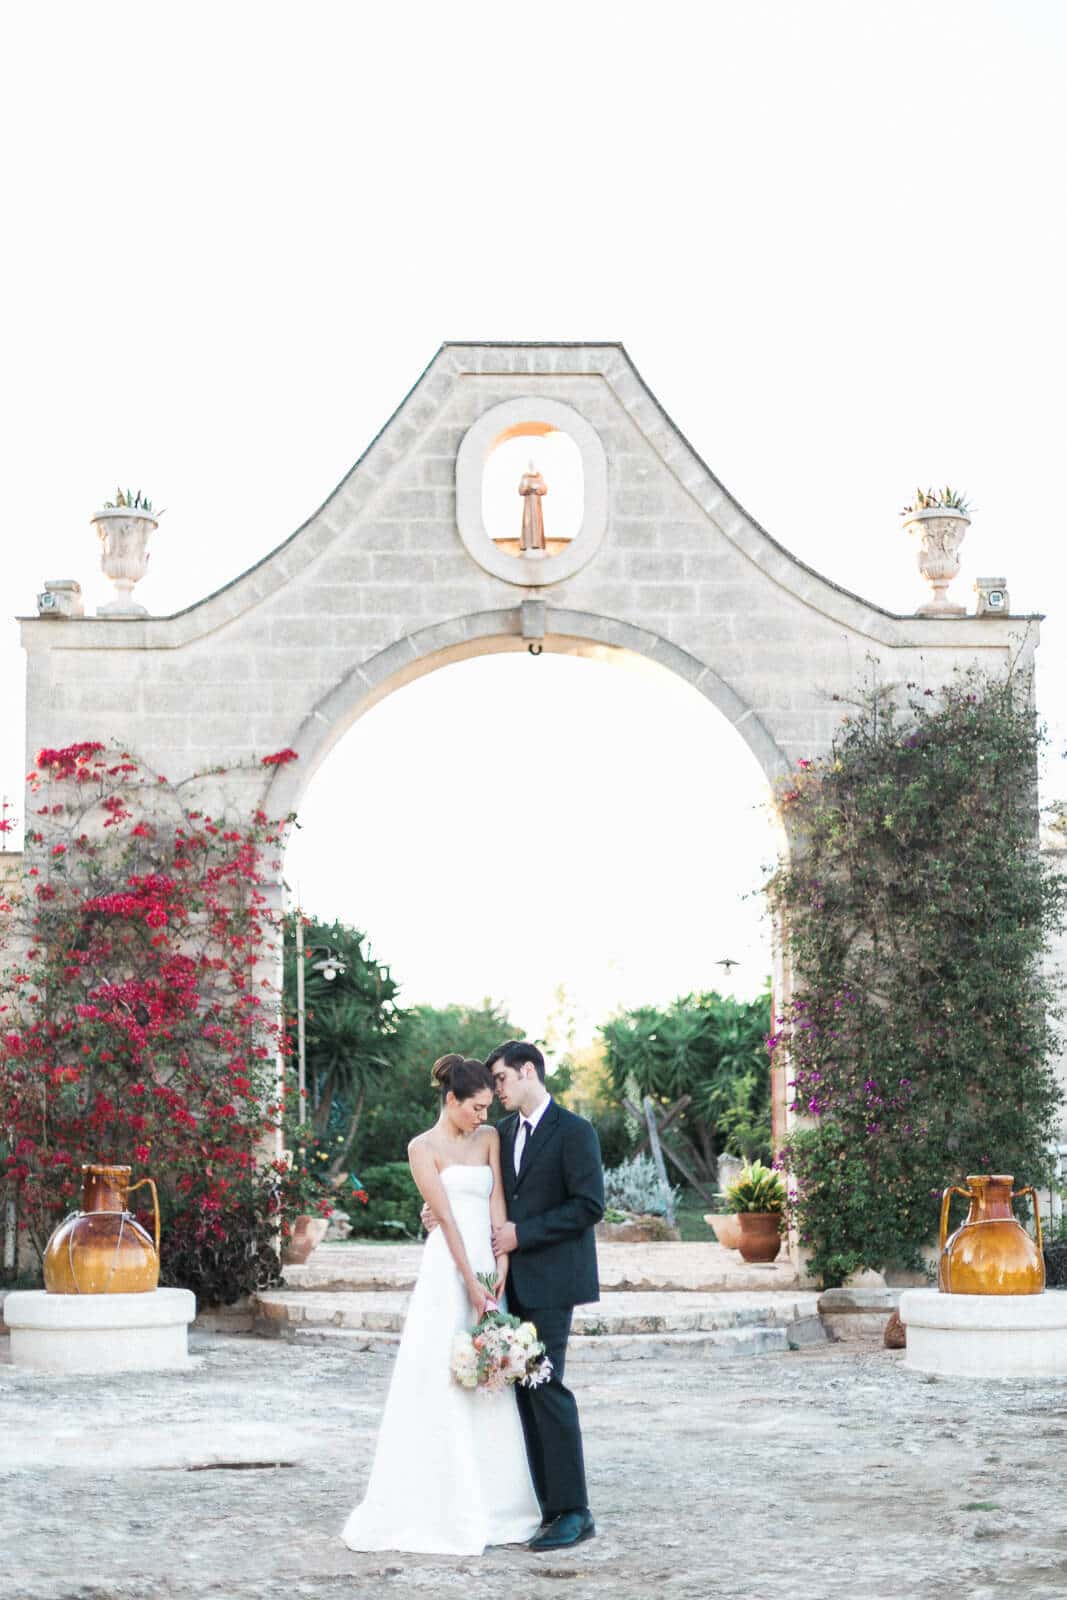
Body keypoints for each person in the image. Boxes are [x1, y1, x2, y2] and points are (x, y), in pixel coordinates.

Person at [340, 1055, 541, 1556]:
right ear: (451, 1100)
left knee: (490, 1376)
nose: (482, 1115)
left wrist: (499, 1272)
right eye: (474, 1107)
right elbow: (447, 1221)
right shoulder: (420, 1148)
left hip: (489, 1262)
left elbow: (498, 1206)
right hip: (448, 1270)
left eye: (487, 1107)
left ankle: (500, 1504)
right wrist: (470, 1283)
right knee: (442, 1376)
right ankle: (438, 1503)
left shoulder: (490, 1138)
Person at [424, 1039, 604, 1552]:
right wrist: (438, 1211)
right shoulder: (497, 1134)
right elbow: (483, 1196)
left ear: (528, 1071)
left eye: (500, 1079)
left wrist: (523, 1234)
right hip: (505, 1284)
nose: (495, 1088)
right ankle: (545, 1507)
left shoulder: (575, 1131)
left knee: (547, 1386)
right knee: (520, 1392)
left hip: (553, 1281)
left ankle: (575, 1511)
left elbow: (589, 1205)